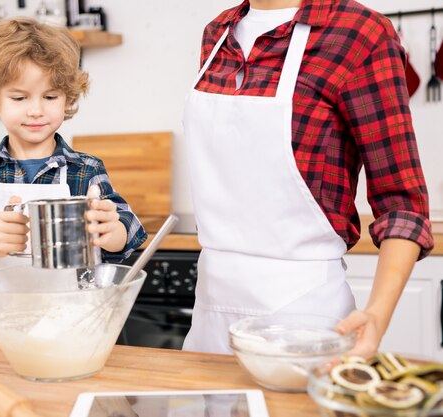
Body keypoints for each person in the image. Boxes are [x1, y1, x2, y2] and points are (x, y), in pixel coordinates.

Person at [182, 0, 433, 357]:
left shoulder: (359, 32)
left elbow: (402, 205)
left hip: (306, 319)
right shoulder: (218, 32)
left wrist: (376, 316)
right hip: (209, 312)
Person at [0, 17, 147, 275]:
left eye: (50, 97)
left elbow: (132, 229)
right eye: (19, 97)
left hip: (73, 310)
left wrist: (113, 231)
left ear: (67, 99)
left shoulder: (85, 169)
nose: (36, 110)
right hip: (5, 312)